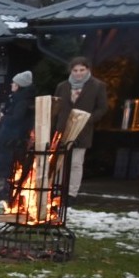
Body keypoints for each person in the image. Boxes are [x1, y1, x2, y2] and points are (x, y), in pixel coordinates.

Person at [54, 57, 109, 201]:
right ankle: (57, 191)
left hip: (82, 129)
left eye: (82, 70)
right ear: (71, 71)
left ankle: (71, 193)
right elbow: (56, 106)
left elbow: (102, 108)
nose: (78, 73)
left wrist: (88, 119)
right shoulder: (62, 86)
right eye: (75, 70)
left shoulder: (98, 86)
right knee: (60, 161)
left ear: (88, 70)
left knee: (76, 163)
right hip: (62, 129)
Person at [0, 71, 35, 195]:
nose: (11, 85)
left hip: (13, 137)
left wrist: (3, 118)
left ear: (19, 85)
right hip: (12, 135)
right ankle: (6, 188)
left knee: (9, 162)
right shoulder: (18, 98)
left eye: (14, 83)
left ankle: (8, 190)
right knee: (8, 162)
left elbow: (17, 118)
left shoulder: (21, 100)